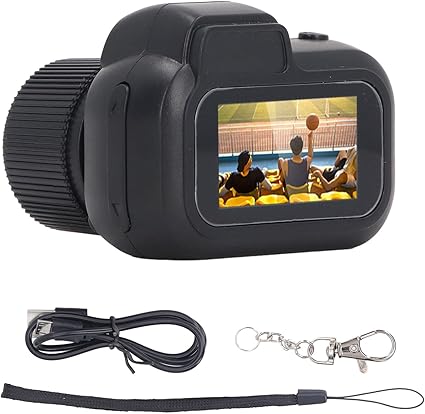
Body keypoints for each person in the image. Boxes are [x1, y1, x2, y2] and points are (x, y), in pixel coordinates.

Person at [278, 131, 313, 196]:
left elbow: (283, 178)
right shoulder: (307, 161)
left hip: (290, 195)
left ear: (291, 148)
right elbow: (310, 155)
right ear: (302, 148)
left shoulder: (285, 162)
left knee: (281, 161)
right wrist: (309, 138)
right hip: (303, 194)